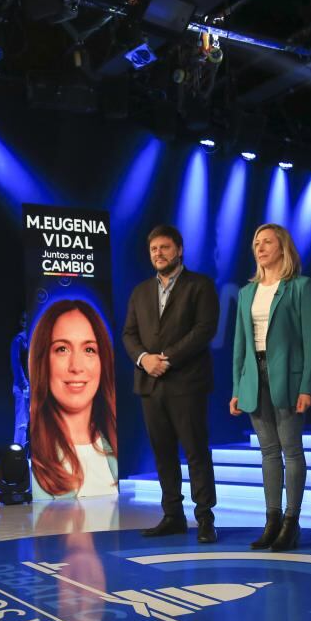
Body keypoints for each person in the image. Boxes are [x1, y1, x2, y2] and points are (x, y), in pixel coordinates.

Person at [123, 224, 220, 543]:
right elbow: (129, 334)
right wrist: (144, 359)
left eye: (164, 248)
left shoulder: (200, 285)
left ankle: (204, 518)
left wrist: (166, 357)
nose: (158, 254)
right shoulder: (140, 292)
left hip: (187, 382)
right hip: (149, 384)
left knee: (195, 452)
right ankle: (172, 516)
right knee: (162, 453)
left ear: (179, 250)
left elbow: (205, 329)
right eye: (153, 249)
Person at [229, 224, 311, 551]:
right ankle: (272, 520)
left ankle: (291, 523)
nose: (260, 247)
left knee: (291, 450)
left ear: (282, 247)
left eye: (267, 242)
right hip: (255, 377)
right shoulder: (245, 293)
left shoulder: (300, 286)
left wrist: (308, 386)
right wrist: (237, 387)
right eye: (256, 242)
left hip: (288, 379)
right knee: (269, 452)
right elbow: (240, 344)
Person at [29, 300, 118, 499]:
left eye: (89, 350)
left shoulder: (118, 450)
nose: (76, 366)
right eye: (62, 349)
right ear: (43, 361)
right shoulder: (31, 460)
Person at [12, 311, 30, 447]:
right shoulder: (19, 339)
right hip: (22, 386)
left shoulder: (35, 338)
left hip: (35, 385)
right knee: (22, 422)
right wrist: (24, 383)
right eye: (24, 320)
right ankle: (19, 453)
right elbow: (15, 362)